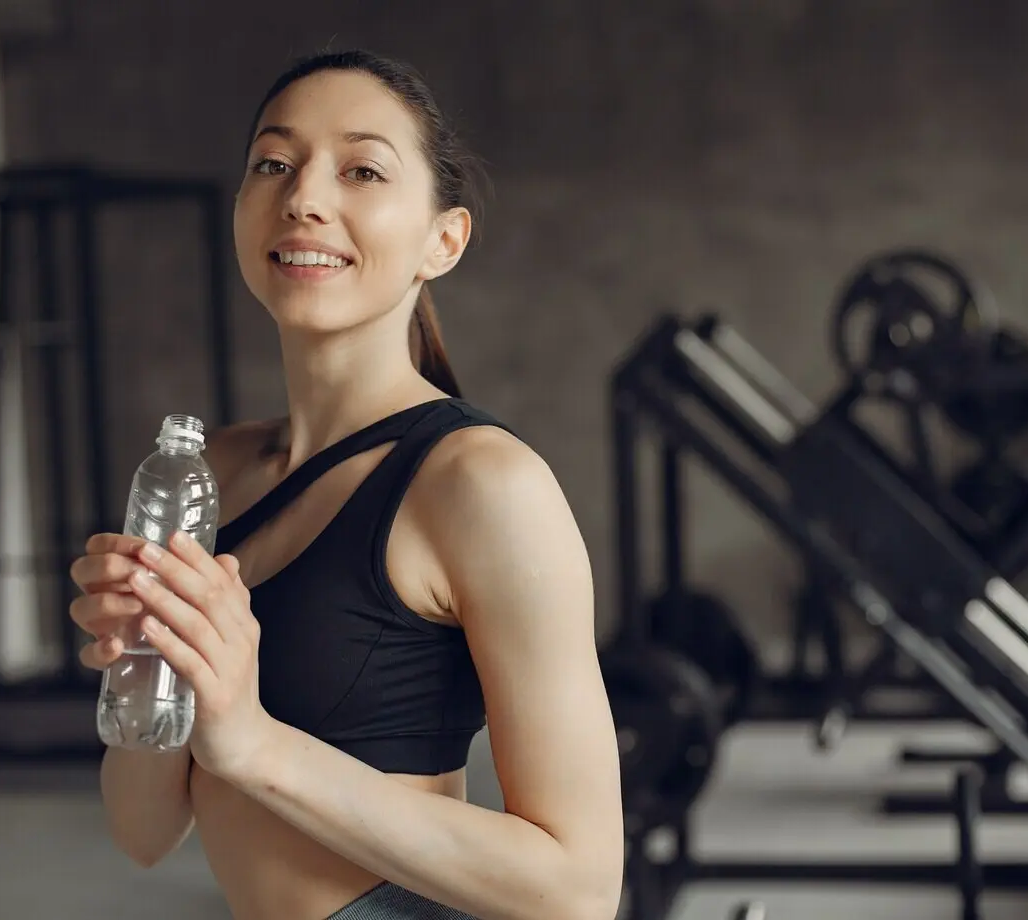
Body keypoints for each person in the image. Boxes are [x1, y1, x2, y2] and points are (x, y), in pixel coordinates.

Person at [66, 49, 625, 920]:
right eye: (274, 164)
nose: (304, 198)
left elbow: (578, 889)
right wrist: (148, 659)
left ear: (443, 241)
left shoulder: (482, 484)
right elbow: (142, 833)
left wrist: (251, 741)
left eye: (361, 169)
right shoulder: (208, 472)